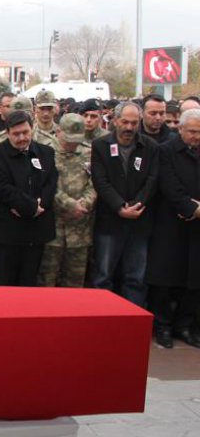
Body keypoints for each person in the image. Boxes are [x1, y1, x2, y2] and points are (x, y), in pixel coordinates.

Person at [90, 102, 159, 307]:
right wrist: (120, 207)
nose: (129, 127)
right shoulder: (101, 145)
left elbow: (152, 180)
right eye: (125, 122)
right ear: (116, 121)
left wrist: (135, 205)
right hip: (110, 221)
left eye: (134, 123)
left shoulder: (150, 147)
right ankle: (101, 318)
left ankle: (133, 322)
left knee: (136, 277)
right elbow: (100, 181)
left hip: (139, 221)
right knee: (103, 275)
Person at [145, 108, 200, 348]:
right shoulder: (165, 150)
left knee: (194, 279)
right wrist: (189, 207)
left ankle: (186, 326)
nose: (196, 137)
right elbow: (168, 183)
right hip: (170, 223)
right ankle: (163, 325)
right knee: (165, 279)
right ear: (181, 129)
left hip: (197, 227)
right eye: (192, 132)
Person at [0, 111, 58, 287]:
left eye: (25, 132)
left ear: (32, 129)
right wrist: (30, 206)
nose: (21, 138)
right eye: (16, 134)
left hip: (36, 229)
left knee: (29, 281)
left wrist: (40, 205)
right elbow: (1, 187)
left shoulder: (46, 152)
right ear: (7, 133)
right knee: (6, 281)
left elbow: (51, 182)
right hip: (7, 231)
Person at [38, 114, 96, 288]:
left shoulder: (89, 152)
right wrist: (70, 204)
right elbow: (45, 186)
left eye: (77, 139)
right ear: (58, 132)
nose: (73, 144)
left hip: (80, 229)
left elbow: (96, 183)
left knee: (75, 283)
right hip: (52, 229)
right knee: (46, 281)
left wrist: (85, 204)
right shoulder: (45, 152)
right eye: (69, 139)